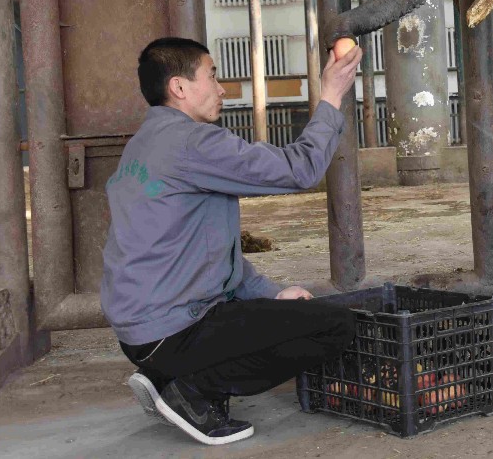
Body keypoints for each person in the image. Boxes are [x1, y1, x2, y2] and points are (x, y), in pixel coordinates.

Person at [101, 37, 362, 445]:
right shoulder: (193, 143)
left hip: (142, 335)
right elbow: (300, 169)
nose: (222, 89)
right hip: (175, 330)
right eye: (212, 76)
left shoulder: (143, 145)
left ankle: (165, 375)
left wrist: (272, 293)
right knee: (333, 327)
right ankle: (192, 390)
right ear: (179, 87)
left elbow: (209, 251)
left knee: (288, 313)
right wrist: (331, 95)